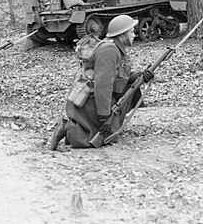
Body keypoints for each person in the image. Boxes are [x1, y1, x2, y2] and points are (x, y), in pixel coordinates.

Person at [49, 15, 154, 149]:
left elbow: (118, 76)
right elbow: (103, 85)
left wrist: (140, 76)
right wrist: (104, 116)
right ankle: (66, 128)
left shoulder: (114, 48)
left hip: (96, 97)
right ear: (122, 34)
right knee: (97, 138)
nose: (134, 35)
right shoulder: (109, 51)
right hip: (91, 100)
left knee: (110, 133)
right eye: (131, 32)